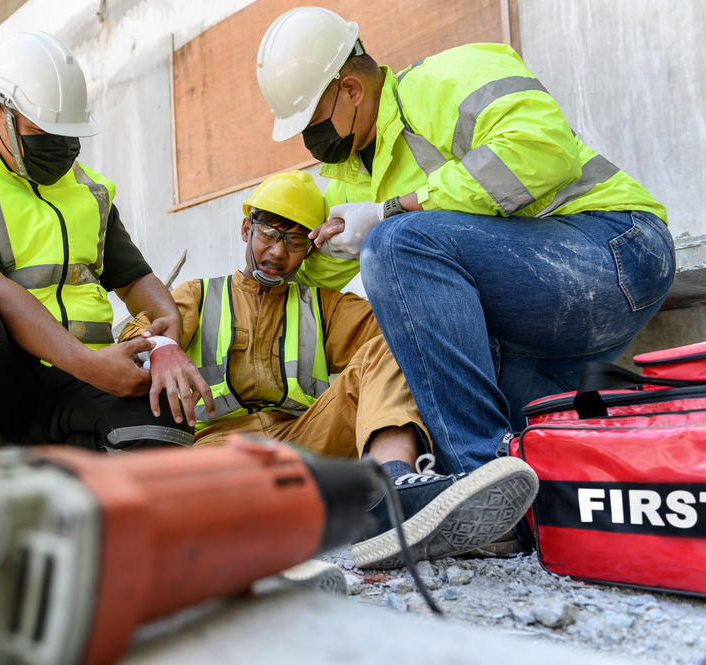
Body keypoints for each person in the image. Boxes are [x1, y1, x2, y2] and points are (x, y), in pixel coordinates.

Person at [256, 8, 674, 548]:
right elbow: (334, 262)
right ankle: (536, 499)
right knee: (445, 361)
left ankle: (480, 475)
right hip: (543, 318)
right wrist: (288, 250)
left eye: (311, 121)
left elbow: (540, 149)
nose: (311, 141)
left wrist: (393, 211)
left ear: (352, 90)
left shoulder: (447, 78)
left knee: (396, 242)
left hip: (617, 250)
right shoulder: (352, 173)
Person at [120, 170, 538, 568]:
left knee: (397, 341)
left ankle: (391, 493)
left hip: (308, 443)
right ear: (246, 229)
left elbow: (414, 329)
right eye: (269, 233)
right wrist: (162, 346)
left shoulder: (323, 306)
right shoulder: (198, 295)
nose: (278, 252)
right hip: (222, 450)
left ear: (309, 250)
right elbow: (136, 343)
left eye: (295, 242)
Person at [0, 31, 214, 452]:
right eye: (44, 131)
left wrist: (167, 337)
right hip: (0, 382)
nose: (61, 148)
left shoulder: (91, 191)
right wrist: (88, 364)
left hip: (81, 381)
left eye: (69, 134)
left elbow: (135, 279)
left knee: (161, 421)